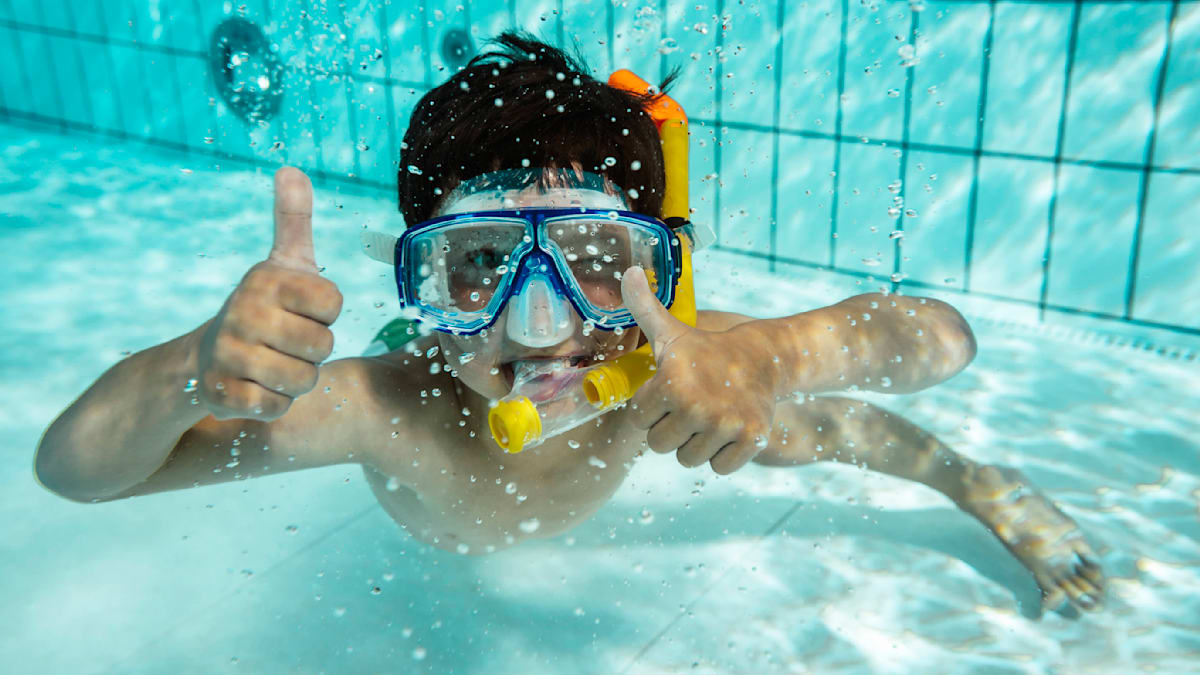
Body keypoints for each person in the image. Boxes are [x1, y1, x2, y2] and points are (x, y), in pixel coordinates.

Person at [34, 32, 1102, 615]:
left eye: (595, 261)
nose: (542, 330)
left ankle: (979, 486)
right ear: (419, 281)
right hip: (421, 391)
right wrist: (189, 369)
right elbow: (76, 472)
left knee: (799, 430)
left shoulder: (670, 364)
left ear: (659, 276)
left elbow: (940, 338)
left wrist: (770, 354)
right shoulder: (385, 404)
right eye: (477, 265)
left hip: (662, 368)